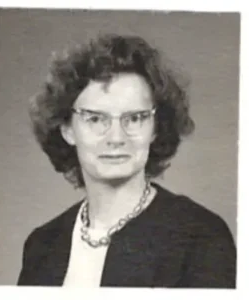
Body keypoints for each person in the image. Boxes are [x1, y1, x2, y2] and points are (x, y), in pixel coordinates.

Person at [17, 34, 236, 288]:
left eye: (134, 118)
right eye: (96, 119)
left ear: (155, 127)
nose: (116, 137)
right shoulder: (41, 245)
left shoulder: (200, 238)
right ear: (67, 129)